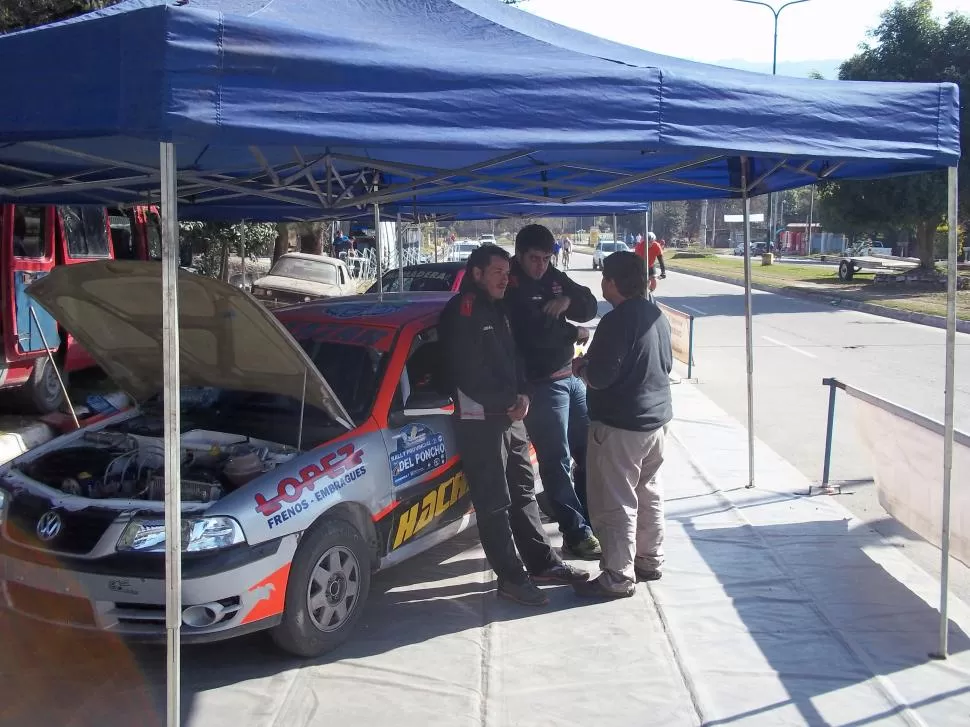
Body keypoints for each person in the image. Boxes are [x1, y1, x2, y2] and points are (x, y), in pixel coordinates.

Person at [439, 244, 590, 606]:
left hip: (512, 415)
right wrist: (508, 402)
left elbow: (516, 358)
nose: (505, 280)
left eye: (507, 274)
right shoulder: (463, 311)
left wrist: (523, 393)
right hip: (482, 422)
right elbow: (466, 373)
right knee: (494, 503)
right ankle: (510, 578)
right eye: (497, 273)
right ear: (476, 274)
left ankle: (542, 563)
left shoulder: (500, 307)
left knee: (524, 492)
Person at [571, 251, 673, 599]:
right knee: (648, 494)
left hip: (621, 427)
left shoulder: (617, 320)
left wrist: (580, 367)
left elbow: (600, 377)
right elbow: (667, 365)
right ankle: (649, 560)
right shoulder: (656, 314)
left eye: (604, 278)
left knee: (615, 503)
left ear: (611, 282)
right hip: (655, 424)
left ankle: (617, 575)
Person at [505, 224, 602, 560]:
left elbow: (590, 305)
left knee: (589, 453)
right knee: (556, 461)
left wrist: (567, 300)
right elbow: (532, 337)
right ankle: (575, 532)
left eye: (547, 258)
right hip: (543, 385)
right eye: (534, 259)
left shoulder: (552, 278)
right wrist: (572, 333)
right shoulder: (511, 284)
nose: (541, 266)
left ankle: (589, 521)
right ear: (519, 255)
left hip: (571, 379)